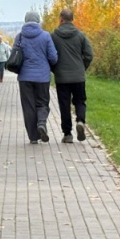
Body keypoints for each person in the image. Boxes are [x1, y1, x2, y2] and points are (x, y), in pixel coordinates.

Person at [51, 9, 94, 143]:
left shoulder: (54, 36)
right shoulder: (81, 36)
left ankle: (67, 133)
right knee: (80, 101)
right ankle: (80, 121)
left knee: (64, 105)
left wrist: (55, 69)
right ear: (72, 19)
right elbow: (89, 55)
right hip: (78, 76)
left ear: (61, 19)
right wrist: (82, 67)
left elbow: (50, 56)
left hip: (62, 77)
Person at [15, 11, 58, 144]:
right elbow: (53, 57)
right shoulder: (45, 36)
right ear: (38, 20)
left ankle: (33, 137)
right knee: (42, 102)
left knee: (28, 106)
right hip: (42, 77)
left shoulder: (20, 37)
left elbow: (14, 55)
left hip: (25, 77)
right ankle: (41, 123)